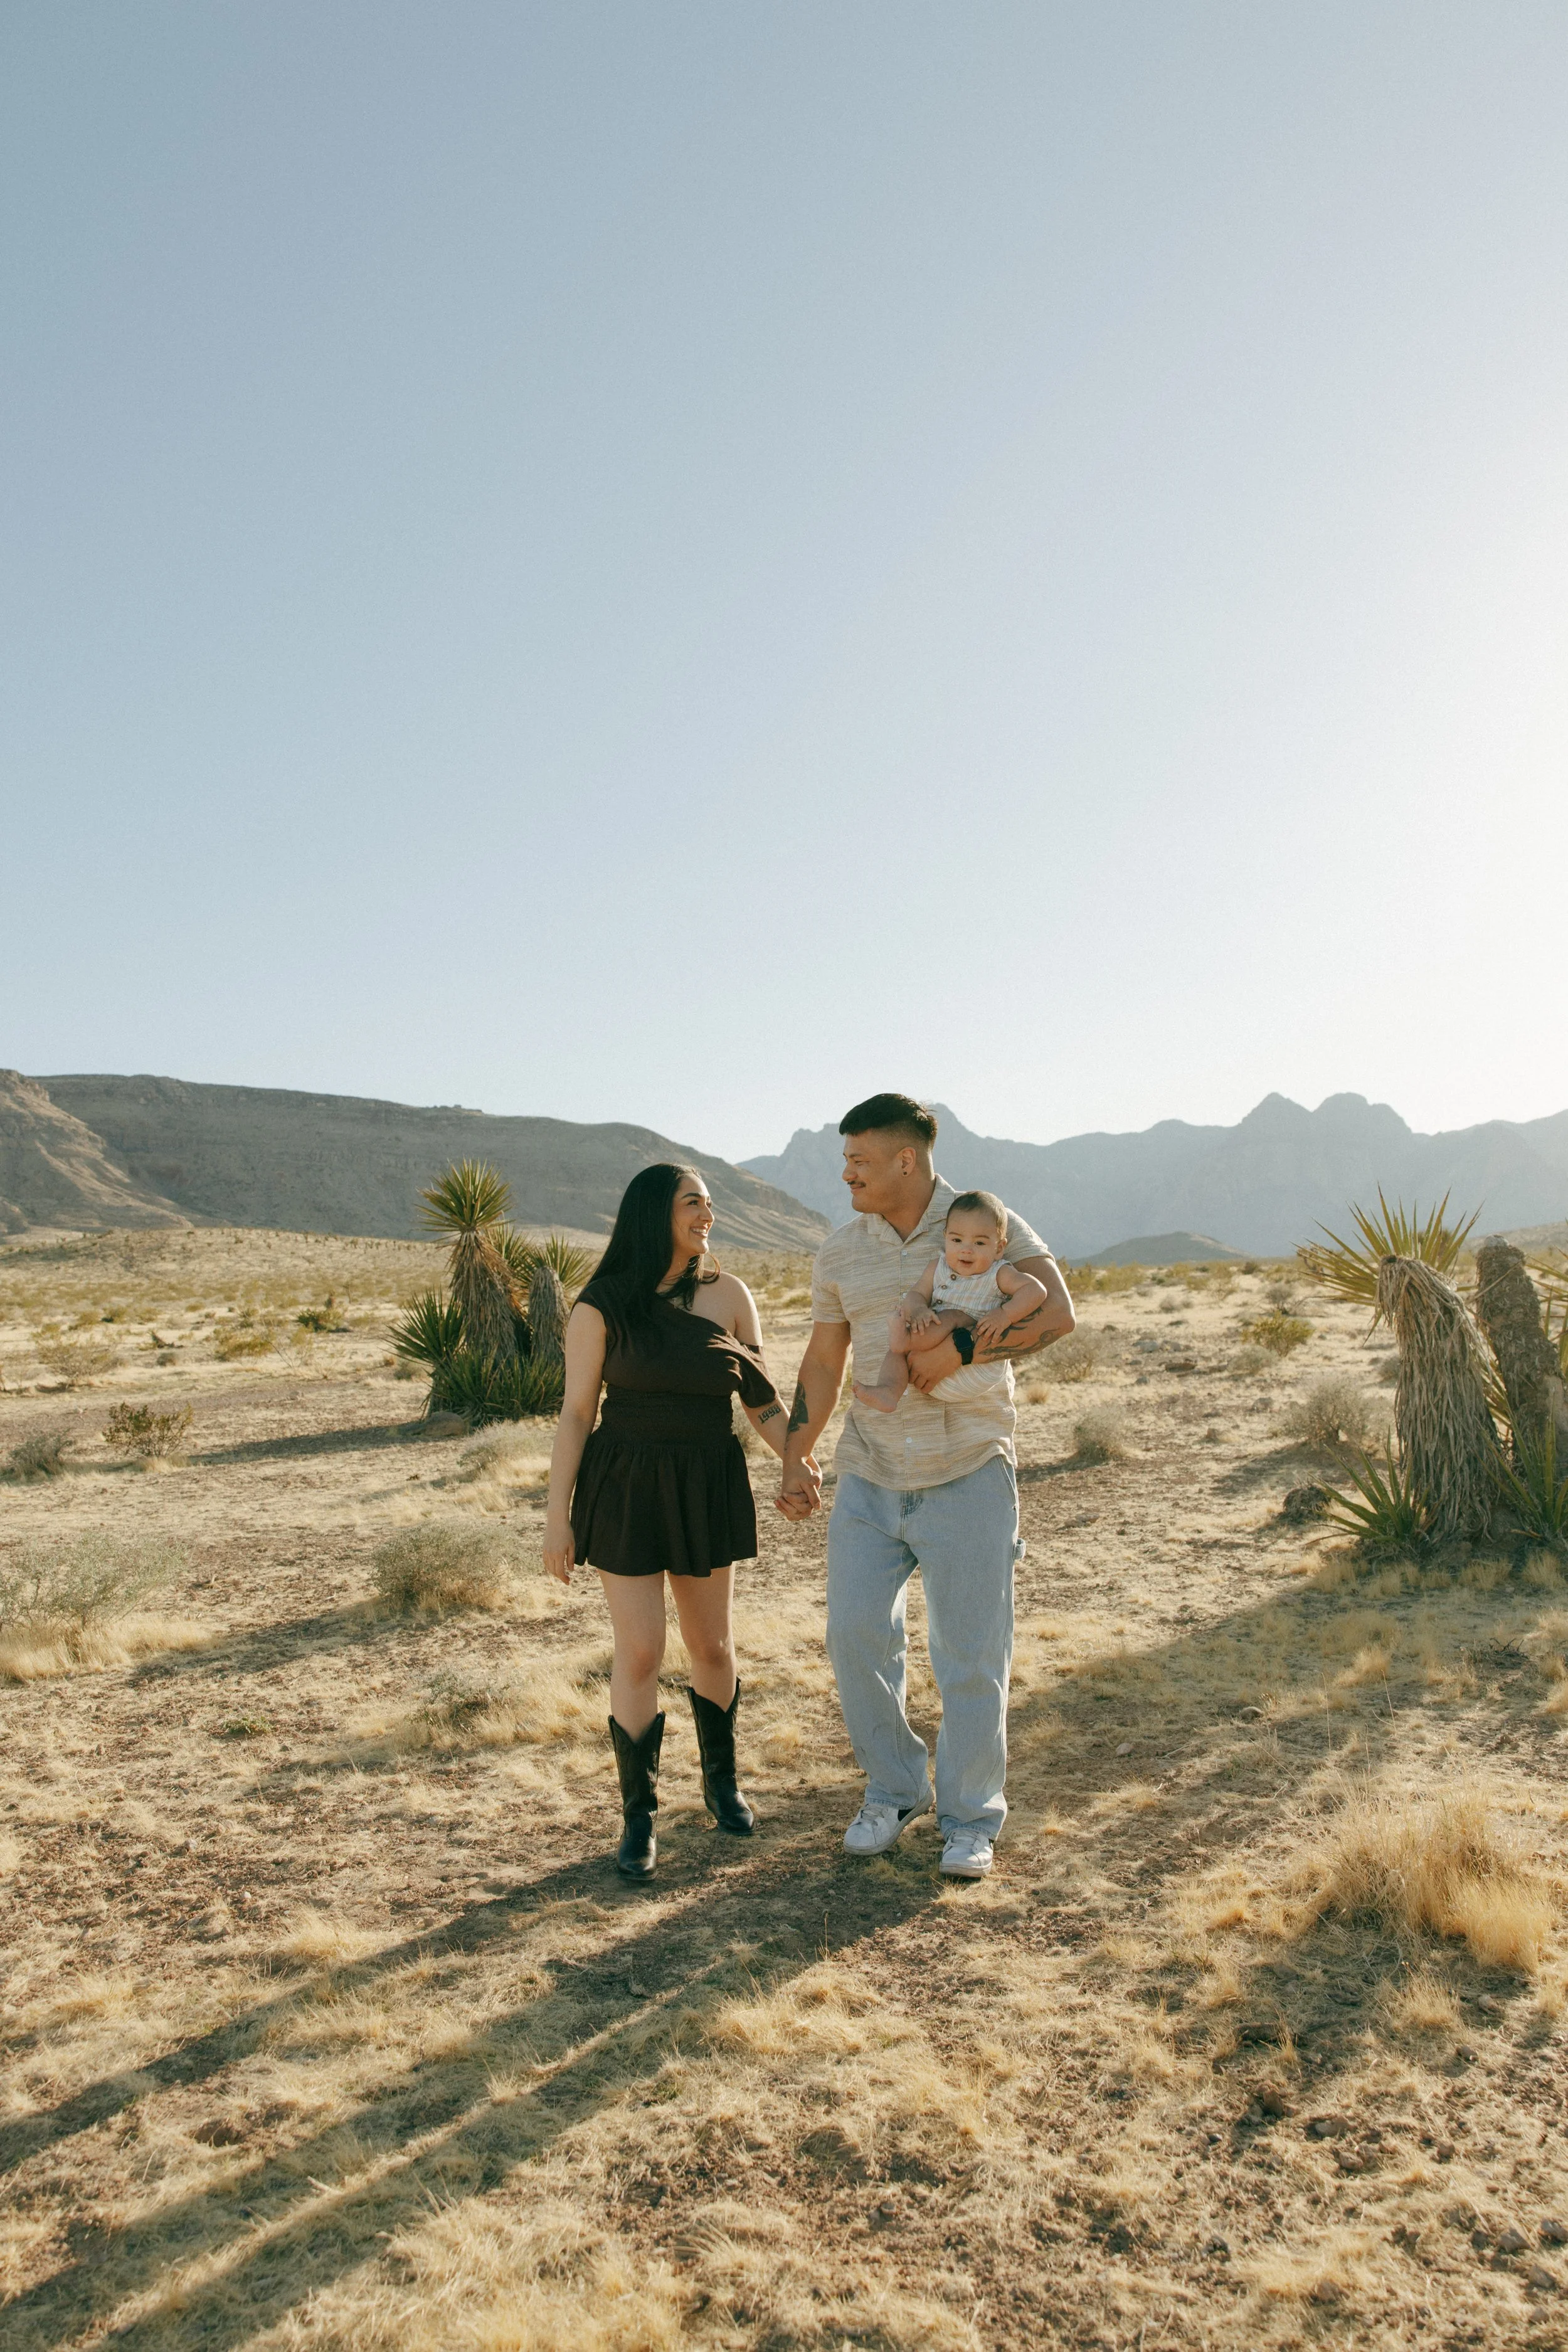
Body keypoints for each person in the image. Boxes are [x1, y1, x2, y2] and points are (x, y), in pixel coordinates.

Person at [778, 1095, 1074, 1880]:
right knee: (853, 1639)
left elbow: (1058, 1313)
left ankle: (971, 1819)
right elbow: (822, 1361)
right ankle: (895, 1789)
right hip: (869, 1474)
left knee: (970, 1656)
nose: (846, 1174)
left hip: (968, 1470)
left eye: (858, 1162)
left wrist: (967, 1346)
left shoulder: (983, 1222)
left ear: (905, 1161)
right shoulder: (841, 1251)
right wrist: (793, 1454)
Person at [543, 1163, 799, 1880]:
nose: (707, 1216)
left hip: (705, 1480)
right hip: (625, 1485)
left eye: (710, 1206)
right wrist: (556, 1519)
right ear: (655, 1214)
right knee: (641, 1653)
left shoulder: (730, 1295)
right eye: (693, 1204)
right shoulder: (601, 1306)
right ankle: (639, 1818)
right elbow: (574, 1415)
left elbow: (763, 1401)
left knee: (712, 1646)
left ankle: (722, 1786)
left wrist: (796, 1463)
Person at [852, 1189, 1050, 1412]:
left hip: (978, 1367)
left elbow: (1036, 1290)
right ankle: (889, 1391)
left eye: (980, 1243)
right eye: (957, 1240)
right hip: (928, 1373)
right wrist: (918, 1310)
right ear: (945, 1237)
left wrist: (1005, 1314)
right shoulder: (938, 1268)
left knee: (947, 1318)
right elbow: (916, 1295)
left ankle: (905, 1340)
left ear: (999, 1248)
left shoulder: (998, 1274)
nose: (966, 1250)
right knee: (898, 1350)